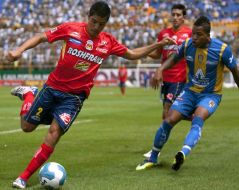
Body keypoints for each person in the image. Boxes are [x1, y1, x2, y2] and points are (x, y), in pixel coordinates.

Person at [7, 1, 176, 189]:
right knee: (27, 127)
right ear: (89, 17)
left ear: (106, 23)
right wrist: (19, 50)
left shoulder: (108, 41)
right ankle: (29, 94)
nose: (96, 27)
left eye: (101, 24)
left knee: (54, 133)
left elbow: (132, 54)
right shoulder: (71, 29)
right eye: (94, 22)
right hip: (52, 88)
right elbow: (41, 37)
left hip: (74, 98)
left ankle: (23, 177)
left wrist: (158, 44)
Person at [136, 16, 239, 171]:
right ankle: (153, 158)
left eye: (198, 35)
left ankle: (182, 153)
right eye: (193, 34)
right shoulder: (187, 45)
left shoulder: (222, 49)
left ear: (208, 36)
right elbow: (173, 59)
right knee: (169, 119)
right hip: (189, 92)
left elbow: (236, 73)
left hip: (211, 95)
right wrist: (160, 69)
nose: (194, 37)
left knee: (198, 118)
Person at [143, 4, 192, 158]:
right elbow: (158, 54)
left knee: (166, 111)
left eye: (178, 15)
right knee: (167, 114)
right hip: (166, 79)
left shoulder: (190, 34)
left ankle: (156, 150)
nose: (175, 17)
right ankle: (192, 114)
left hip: (179, 78)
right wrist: (143, 52)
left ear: (183, 17)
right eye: (173, 14)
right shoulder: (164, 34)